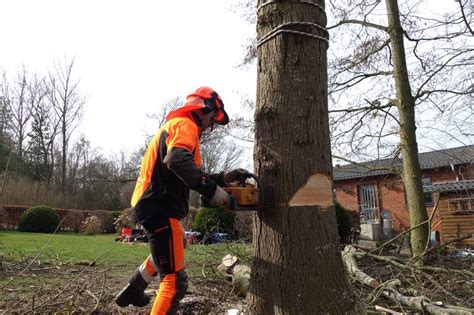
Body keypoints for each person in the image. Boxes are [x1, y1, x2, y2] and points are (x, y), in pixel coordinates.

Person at [115, 86, 249, 314]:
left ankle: (134, 289)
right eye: (212, 119)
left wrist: (223, 178)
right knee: (175, 282)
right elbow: (176, 160)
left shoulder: (178, 129)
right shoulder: (186, 125)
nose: (211, 126)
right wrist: (213, 191)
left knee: (171, 250)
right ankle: (136, 290)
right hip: (159, 207)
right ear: (203, 109)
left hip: (152, 205)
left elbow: (189, 173)